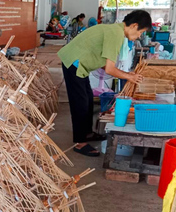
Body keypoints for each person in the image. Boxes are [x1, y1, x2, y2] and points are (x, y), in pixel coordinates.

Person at [58, 10, 152, 157]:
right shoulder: (116, 34)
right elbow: (109, 69)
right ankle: (80, 143)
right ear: (134, 25)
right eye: (141, 32)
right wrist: (128, 76)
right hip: (73, 63)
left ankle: (87, 133)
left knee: (88, 99)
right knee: (80, 102)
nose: (139, 36)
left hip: (80, 65)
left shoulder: (115, 31)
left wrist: (126, 74)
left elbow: (105, 62)